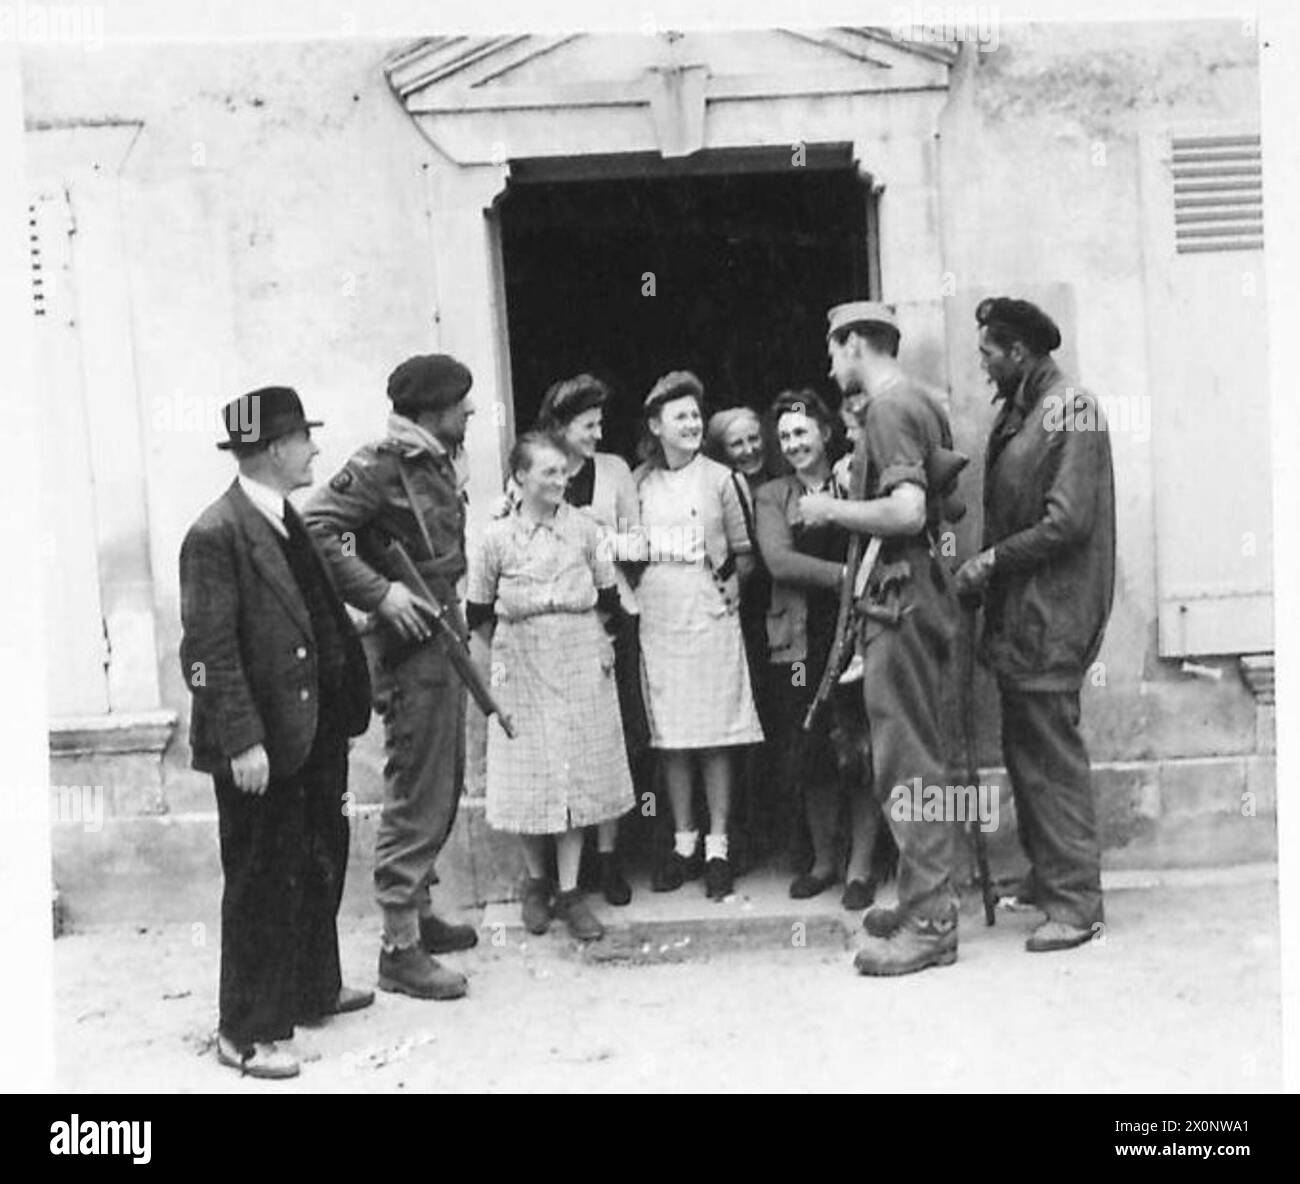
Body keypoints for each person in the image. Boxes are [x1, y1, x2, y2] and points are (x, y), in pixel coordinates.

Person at [180, 386, 373, 1079]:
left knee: (318, 859)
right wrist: (241, 743)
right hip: (262, 744)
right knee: (261, 879)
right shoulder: (216, 533)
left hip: (311, 734)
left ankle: (313, 988)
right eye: (303, 439)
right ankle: (247, 1030)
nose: (314, 449)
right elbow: (206, 652)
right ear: (272, 449)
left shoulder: (285, 516)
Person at [303, 355, 479, 1001]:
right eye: (461, 402)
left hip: (442, 622)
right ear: (432, 410)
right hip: (408, 639)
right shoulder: (382, 461)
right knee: (417, 780)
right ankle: (399, 949)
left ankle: (422, 912)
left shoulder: (432, 455)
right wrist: (380, 596)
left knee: (442, 775)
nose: (470, 412)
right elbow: (317, 527)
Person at [801, 301, 963, 976]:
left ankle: (929, 925)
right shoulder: (921, 404)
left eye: (834, 351)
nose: (831, 365)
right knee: (911, 753)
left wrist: (830, 507)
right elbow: (946, 502)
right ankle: (922, 901)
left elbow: (910, 508)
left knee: (906, 761)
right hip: (910, 592)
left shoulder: (890, 409)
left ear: (856, 343)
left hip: (897, 598)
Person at [955, 297, 1115, 953]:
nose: (985, 367)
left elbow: (1068, 522)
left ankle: (1078, 905)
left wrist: (990, 561)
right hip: (1023, 620)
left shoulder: (1071, 409)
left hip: (1054, 616)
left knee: (1050, 757)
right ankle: (1052, 878)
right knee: (1026, 755)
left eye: (989, 354)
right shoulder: (1021, 412)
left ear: (1018, 352)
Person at [466, 433, 636, 941]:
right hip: (519, 659)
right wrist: (492, 679)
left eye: (563, 472)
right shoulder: (495, 539)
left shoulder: (585, 530)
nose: (561, 480)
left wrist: (602, 644)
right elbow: (476, 616)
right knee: (528, 770)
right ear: (520, 478)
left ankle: (569, 891)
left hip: (579, 656)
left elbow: (610, 599)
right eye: (549, 473)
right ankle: (535, 884)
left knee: (574, 769)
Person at [754, 389, 896, 909]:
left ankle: (861, 867)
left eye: (801, 431)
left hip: (857, 637)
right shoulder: (773, 495)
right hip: (798, 642)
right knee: (810, 751)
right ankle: (823, 861)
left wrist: (857, 589)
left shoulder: (855, 480)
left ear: (824, 432)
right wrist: (848, 576)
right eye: (785, 435)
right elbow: (780, 562)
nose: (793, 443)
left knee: (859, 752)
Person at [634, 371, 764, 900]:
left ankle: (718, 845)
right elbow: (617, 545)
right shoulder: (639, 482)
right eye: (679, 416)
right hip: (659, 613)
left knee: (715, 732)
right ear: (656, 425)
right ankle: (683, 841)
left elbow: (747, 552)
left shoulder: (721, 479)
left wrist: (733, 585)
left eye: (694, 415)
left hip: (709, 612)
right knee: (672, 736)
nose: (689, 425)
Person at [534, 374, 646, 906]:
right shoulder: (536, 473)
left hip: (610, 614)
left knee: (611, 740)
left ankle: (610, 858)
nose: (598, 434)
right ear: (559, 428)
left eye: (600, 424)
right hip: (553, 630)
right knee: (563, 744)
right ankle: (562, 875)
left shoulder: (615, 471)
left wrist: (596, 536)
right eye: (587, 425)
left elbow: (639, 543)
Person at [704, 406, 780, 870]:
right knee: (733, 732)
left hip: (779, 616)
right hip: (734, 619)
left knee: (776, 725)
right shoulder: (714, 486)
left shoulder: (778, 480)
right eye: (738, 443)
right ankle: (738, 837)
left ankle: (779, 832)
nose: (750, 449)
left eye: (755, 439)